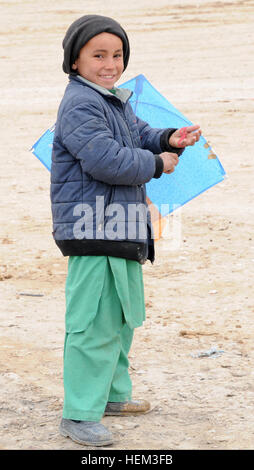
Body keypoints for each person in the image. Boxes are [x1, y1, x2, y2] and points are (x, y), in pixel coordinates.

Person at [50, 14, 201, 447]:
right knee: (92, 323)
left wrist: (169, 139)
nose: (110, 63)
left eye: (117, 55)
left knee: (120, 317)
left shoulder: (114, 99)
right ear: (74, 62)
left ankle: (112, 396)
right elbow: (105, 160)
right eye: (98, 55)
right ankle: (79, 414)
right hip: (91, 226)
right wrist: (157, 164)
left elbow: (138, 134)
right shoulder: (80, 103)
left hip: (120, 225)